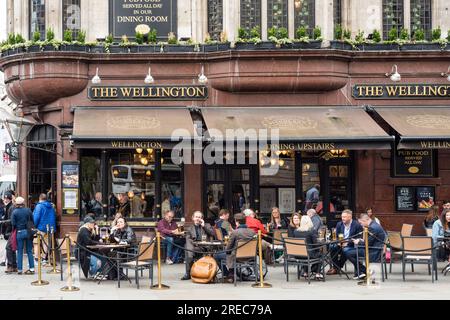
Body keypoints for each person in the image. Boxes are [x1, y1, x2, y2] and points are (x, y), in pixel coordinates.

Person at [214, 213, 256, 283]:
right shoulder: (252, 232)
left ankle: (229, 274)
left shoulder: (235, 233)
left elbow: (228, 248)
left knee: (216, 255)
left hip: (236, 257)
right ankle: (232, 273)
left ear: (237, 222)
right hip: (250, 256)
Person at [344, 213, 386, 280]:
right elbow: (369, 241)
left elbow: (368, 243)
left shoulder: (372, 228)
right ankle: (360, 272)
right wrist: (361, 240)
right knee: (350, 251)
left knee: (348, 253)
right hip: (373, 248)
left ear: (365, 220)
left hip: (373, 251)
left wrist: (358, 242)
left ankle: (365, 271)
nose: (361, 225)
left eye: (361, 223)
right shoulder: (374, 224)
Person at [181, 211, 215, 280]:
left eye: (199, 217)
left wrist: (203, 226)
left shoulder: (207, 225)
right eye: (196, 217)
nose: (197, 219)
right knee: (188, 246)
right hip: (194, 247)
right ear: (193, 218)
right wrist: (193, 244)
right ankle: (188, 270)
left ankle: (188, 273)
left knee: (188, 250)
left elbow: (213, 234)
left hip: (204, 248)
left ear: (202, 218)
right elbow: (188, 239)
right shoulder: (190, 228)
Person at [326, 209, 363, 275]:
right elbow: (337, 236)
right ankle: (336, 267)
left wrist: (348, 243)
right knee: (332, 247)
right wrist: (339, 242)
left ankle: (337, 267)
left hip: (351, 245)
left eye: (345, 217)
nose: (343, 218)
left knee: (345, 249)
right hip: (341, 243)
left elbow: (359, 238)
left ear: (350, 217)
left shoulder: (357, 225)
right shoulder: (339, 224)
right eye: (342, 217)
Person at [292, 215, 323, 280]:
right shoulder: (311, 231)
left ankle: (305, 272)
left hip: (298, 255)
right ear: (310, 222)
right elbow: (316, 245)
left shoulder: (296, 231)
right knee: (320, 255)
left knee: (306, 252)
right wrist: (320, 244)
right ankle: (317, 273)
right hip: (309, 255)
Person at [11, 197, 35, 275]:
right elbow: (32, 220)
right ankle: (31, 268)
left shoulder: (14, 212)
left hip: (19, 232)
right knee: (29, 251)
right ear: (23, 203)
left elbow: (13, 224)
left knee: (20, 251)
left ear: (16, 204)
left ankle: (20, 269)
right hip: (28, 232)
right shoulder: (28, 210)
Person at [33, 193, 57, 263]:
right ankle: (44, 259)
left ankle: (36, 259)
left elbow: (36, 217)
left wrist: (34, 226)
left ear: (40, 198)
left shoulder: (39, 206)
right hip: (50, 228)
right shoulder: (51, 206)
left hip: (40, 228)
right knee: (46, 243)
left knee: (36, 243)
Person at [3, 192, 17, 273]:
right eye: (5, 198)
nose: (5, 200)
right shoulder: (9, 206)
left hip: (12, 230)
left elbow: (12, 220)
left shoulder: (11, 207)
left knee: (9, 248)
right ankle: (14, 266)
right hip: (11, 230)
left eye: (7, 198)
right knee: (11, 248)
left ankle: (10, 266)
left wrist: (4, 222)